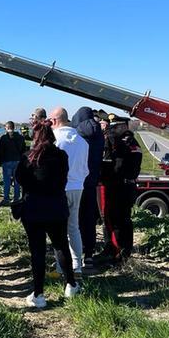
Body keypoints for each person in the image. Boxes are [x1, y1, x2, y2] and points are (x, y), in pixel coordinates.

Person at [16, 122, 80, 308]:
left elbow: (20, 179)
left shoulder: (28, 157)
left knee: (38, 251)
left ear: (34, 138)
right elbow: (64, 178)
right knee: (61, 246)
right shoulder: (61, 156)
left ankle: (38, 293)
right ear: (52, 136)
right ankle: (71, 285)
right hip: (56, 206)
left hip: (33, 208)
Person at [49, 107, 89, 276]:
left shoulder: (56, 140)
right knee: (74, 228)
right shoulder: (82, 141)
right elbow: (85, 168)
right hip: (78, 187)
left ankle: (61, 268)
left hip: (60, 189)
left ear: (54, 121)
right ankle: (78, 265)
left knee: (58, 231)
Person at [99, 118, 143, 263]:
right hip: (122, 186)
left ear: (123, 126)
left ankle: (120, 254)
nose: (112, 130)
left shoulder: (126, 143)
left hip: (121, 187)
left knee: (119, 221)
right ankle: (115, 250)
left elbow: (118, 166)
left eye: (115, 127)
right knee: (118, 220)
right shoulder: (124, 142)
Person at [72, 106, 105, 269]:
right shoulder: (99, 134)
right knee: (89, 219)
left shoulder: (76, 133)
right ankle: (89, 254)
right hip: (91, 182)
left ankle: (76, 256)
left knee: (74, 220)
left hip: (77, 182)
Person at [0, 120, 27, 203]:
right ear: (14, 128)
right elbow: (23, 150)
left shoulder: (3, 138)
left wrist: (1, 159)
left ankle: (6, 198)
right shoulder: (20, 137)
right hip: (17, 160)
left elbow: (0, 150)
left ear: (6, 127)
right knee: (17, 181)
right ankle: (16, 198)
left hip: (7, 160)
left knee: (6, 181)